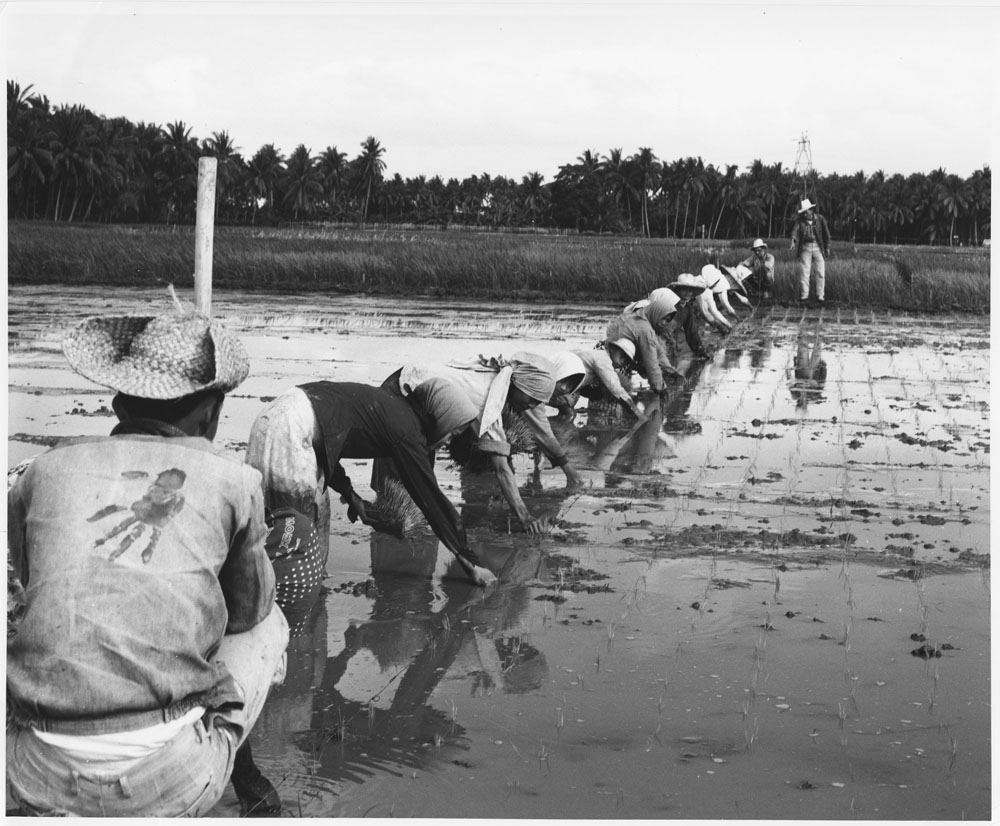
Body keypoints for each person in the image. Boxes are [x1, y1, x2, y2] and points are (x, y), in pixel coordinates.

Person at [7, 310, 289, 817]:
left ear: (118, 402)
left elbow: (31, 587)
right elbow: (248, 612)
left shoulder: (39, 472)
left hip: (31, 771)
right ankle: (236, 771)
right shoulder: (235, 480)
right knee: (271, 626)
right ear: (212, 413)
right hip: (166, 779)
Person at [245, 379, 496, 586]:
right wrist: (469, 563)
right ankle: (291, 620)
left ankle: (302, 601)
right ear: (442, 418)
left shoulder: (394, 411)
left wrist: (352, 496)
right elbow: (430, 499)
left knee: (314, 523)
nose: (446, 442)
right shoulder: (407, 430)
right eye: (452, 433)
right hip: (288, 431)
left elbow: (329, 442)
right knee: (293, 535)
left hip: (282, 418)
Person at [381, 352, 581, 534]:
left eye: (537, 403)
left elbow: (501, 459)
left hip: (423, 397)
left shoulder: (499, 382)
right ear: (520, 385)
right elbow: (501, 469)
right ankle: (389, 537)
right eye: (531, 399)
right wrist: (524, 516)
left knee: (416, 476)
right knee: (401, 476)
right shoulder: (487, 399)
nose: (530, 406)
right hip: (403, 389)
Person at [605, 289, 684, 394]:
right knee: (620, 394)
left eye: (667, 320)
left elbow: (658, 352)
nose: (664, 323)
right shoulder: (644, 329)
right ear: (656, 313)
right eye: (663, 318)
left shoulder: (640, 316)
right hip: (613, 362)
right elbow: (651, 362)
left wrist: (671, 371)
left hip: (614, 356)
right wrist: (660, 388)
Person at [548, 348, 641, 418]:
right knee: (569, 413)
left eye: (626, 361)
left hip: (562, 382)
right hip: (559, 384)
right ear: (613, 349)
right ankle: (559, 429)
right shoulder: (603, 359)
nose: (622, 362)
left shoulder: (596, 354)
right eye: (622, 357)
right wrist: (635, 411)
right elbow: (615, 388)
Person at [790, 198, 832, 302]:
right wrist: (793, 241)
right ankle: (804, 296)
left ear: (811, 210)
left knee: (820, 272)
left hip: (818, 247)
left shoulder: (820, 219)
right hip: (805, 247)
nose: (805, 214)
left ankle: (820, 296)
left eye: (806, 211)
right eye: (803, 212)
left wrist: (827, 248)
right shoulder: (800, 221)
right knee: (805, 272)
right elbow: (795, 231)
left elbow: (827, 234)